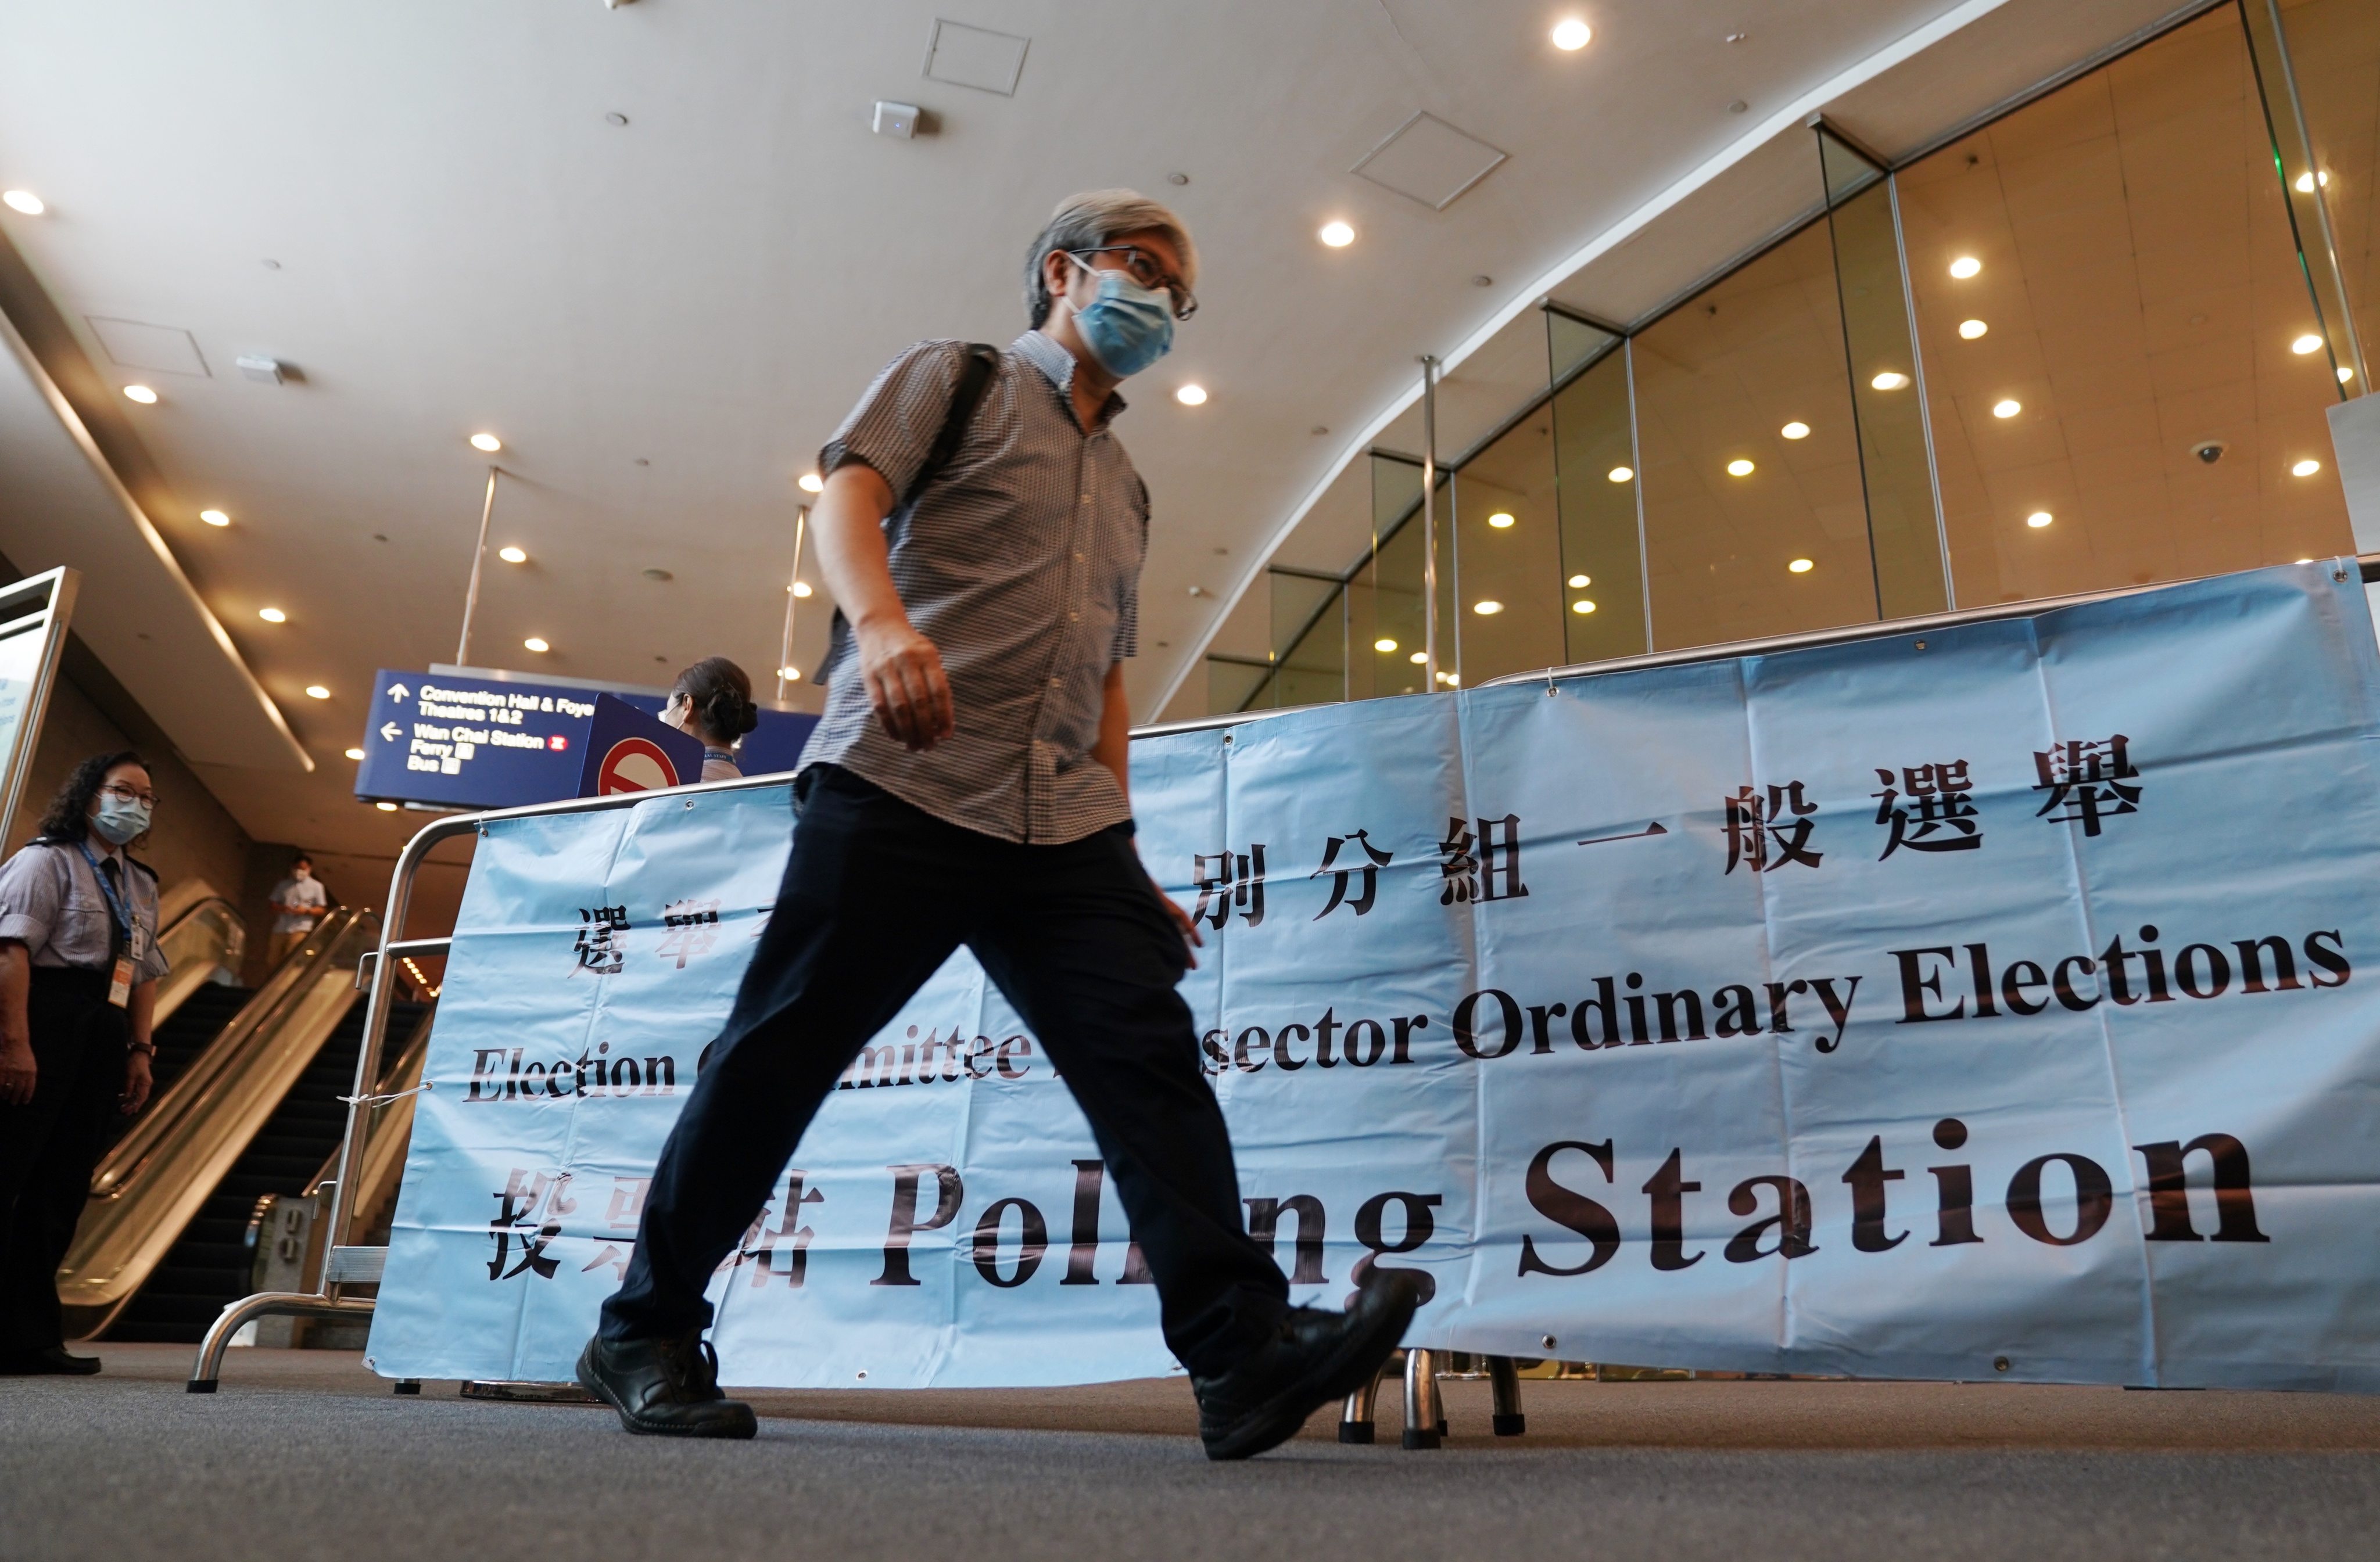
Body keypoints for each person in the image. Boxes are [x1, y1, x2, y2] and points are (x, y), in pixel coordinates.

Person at [577, 190, 1418, 1456]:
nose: (1161, 304)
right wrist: (883, 625)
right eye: (1143, 269)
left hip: (1063, 824)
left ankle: (1238, 1351)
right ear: (1063, 273)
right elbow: (844, 497)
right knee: (777, 1055)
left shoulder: (1128, 487)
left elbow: (1110, 679)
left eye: (1176, 292)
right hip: (903, 781)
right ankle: (642, 1328)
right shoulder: (956, 378)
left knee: (1146, 1055)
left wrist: (1126, 851)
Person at [0, 752, 167, 1374]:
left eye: (147, 798)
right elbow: (11, 953)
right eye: (123, 790)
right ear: (89, 794)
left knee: (61, 1189)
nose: (136, 805)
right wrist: (15, 1044)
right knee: (9, 1173)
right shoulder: (45, 860)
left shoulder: (141, 882)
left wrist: (140, 1050)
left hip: (103, 1028)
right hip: (42, 1017)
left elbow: (144, 973)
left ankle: (28, 1336)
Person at [662, 658, 759, 783]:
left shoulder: (667, 787)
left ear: (687, 705)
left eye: (668, 710)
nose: (665, 721)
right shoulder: (746, 790)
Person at [264, 853, 328, 969]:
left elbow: (321, 909)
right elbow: (272, 904)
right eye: (297, 869)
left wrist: (306, 911)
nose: (299, 871)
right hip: (281, 927)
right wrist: (283, 908)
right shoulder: (283, 885)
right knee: (272, 959)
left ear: (309, 869)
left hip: (301, 927)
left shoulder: (316, 886)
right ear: (292, 868)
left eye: (303, 869)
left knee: (291, 958)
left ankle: (286, 983)